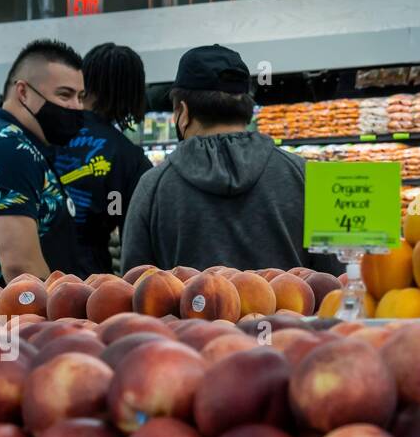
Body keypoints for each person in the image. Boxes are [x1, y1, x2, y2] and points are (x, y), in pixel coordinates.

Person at [121, 45, 333, 272]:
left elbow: (136, 284)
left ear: (182, 113)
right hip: (291, 308)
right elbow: (334, 280)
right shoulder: (304, 175)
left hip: (188, 309)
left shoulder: (153, 186)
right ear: (247, 108)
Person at [0, 39, 85, 286]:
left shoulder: (14, 142)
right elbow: (21, 268)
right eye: (64, 94)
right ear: (23, 92)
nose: (76, 106)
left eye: (80, 96)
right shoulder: (8, 148)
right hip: (16, 320)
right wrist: (62, 319)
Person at [54, 43, 154, 276]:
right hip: (90, 284)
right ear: (133, 93)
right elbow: (133, 240)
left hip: (29, 276)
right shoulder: (130, 158)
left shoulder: (46, 132)